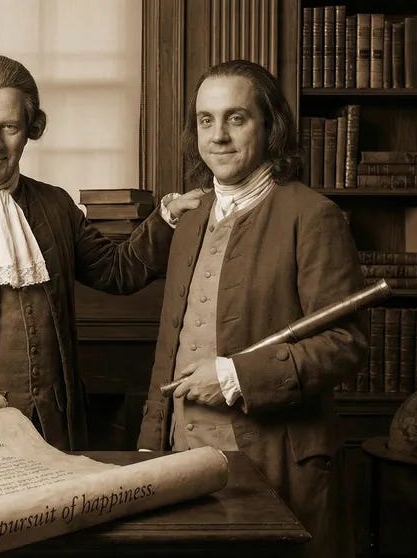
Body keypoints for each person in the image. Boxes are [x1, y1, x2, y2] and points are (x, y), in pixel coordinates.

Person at [0, 54, 204, 451]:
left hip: (54, 431)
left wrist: (167, 217)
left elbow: (117, 271)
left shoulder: (54, 205)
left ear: (30, 130)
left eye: (10, 126)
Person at [135, 60, 367, 558]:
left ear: (269, 126)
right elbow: (170, 346)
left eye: (235, 118)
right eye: (206, 120)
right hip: (180, 457)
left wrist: (236, 376)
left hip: (274, 462)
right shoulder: (190, 217)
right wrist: (150, 442)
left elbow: (345, 344)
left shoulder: (314, 215)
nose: (218, 136)